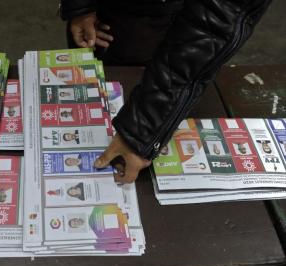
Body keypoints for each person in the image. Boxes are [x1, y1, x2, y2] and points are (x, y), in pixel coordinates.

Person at [60, 0, 272, 183]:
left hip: (160, 18)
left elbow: (212, 24)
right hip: (106, 18)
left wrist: (140, 131)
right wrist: (79, 7)